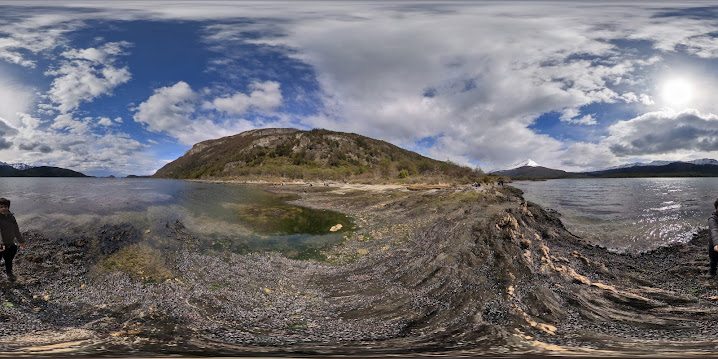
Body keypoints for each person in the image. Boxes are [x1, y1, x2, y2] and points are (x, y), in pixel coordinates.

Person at [0, 198, 24, 282]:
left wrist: (21, 241)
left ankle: (9, 272)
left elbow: (16, 230)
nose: (3, 208)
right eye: (1, 207)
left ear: (8, 207)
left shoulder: (11, 217)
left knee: (9, 259)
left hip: (10, 243)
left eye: (5, 206)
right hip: (1, 244)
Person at [708, 198, 718, 278]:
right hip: (714, 243)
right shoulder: (712, 219)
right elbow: (714, 230)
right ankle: (712, 272)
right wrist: (716, 243)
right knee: (713, 260)